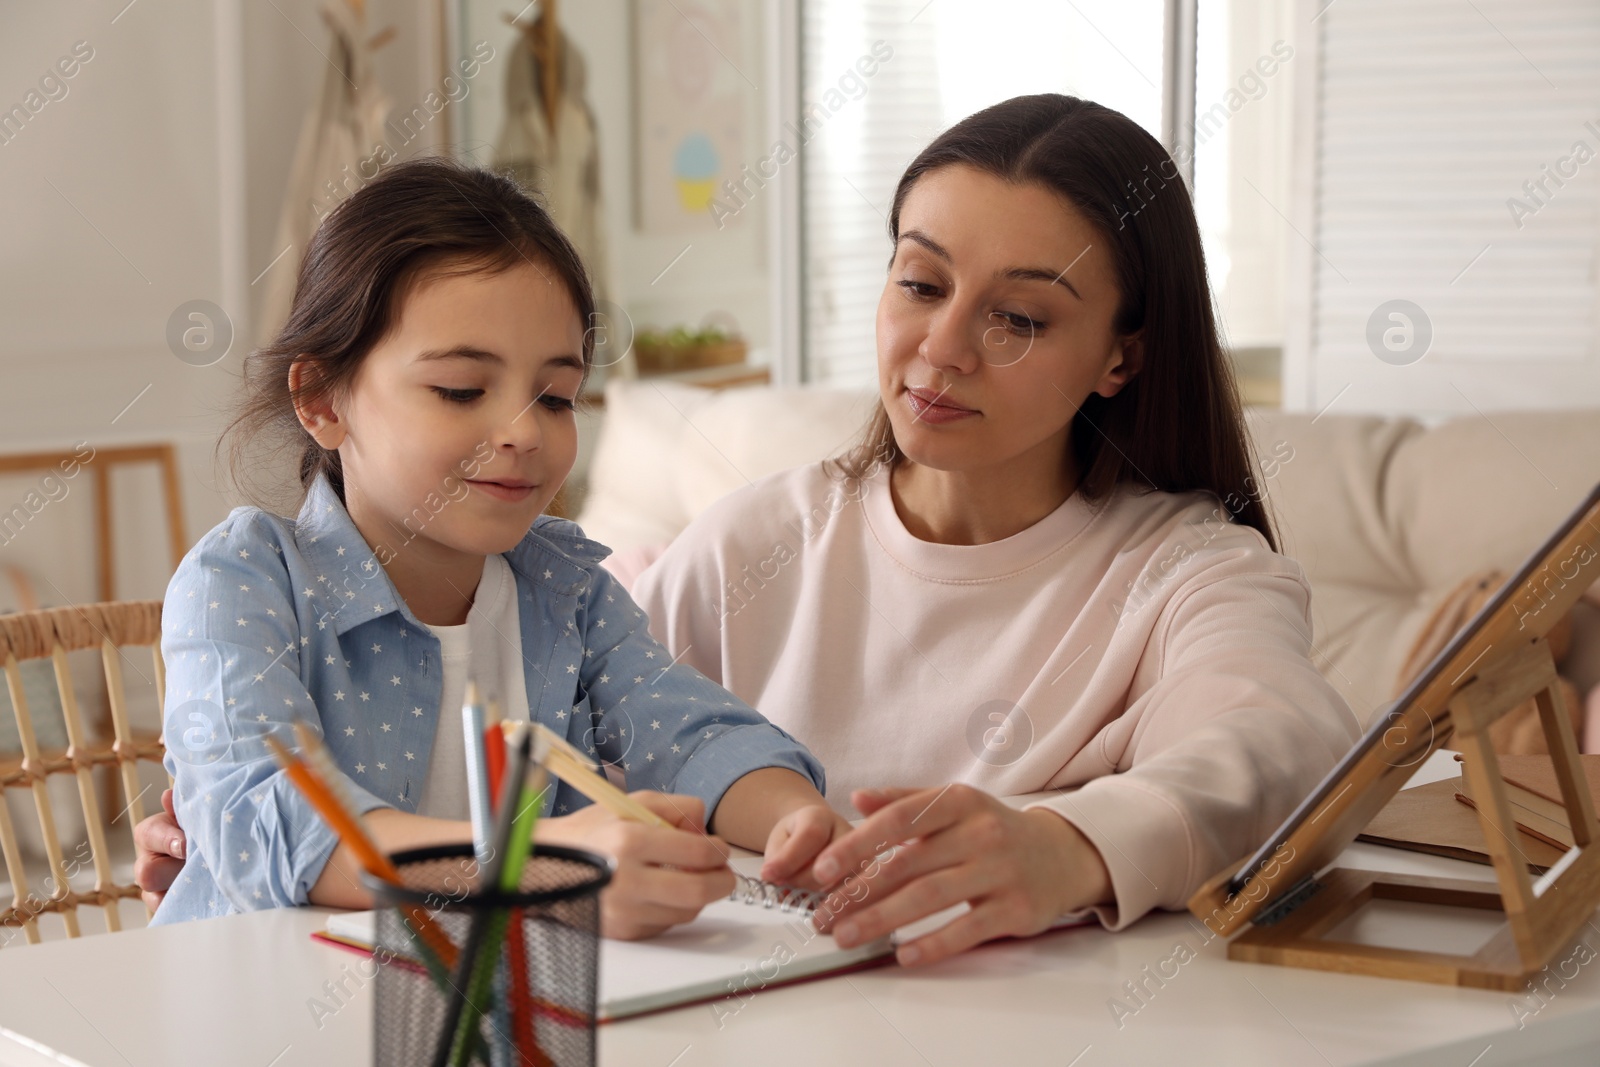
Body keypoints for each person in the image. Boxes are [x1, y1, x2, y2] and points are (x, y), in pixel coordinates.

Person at [139, 96, 1359, 967]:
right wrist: (249, 823)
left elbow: (1289, 746)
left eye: (1021, 317)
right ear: (321, 395)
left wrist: (815, 828)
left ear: (1122, 356)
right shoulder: (745, 537)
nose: (939, 349)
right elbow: (279, 821)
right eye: (921, 283)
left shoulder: (1186, 572)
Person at [146, 156, 846, 936]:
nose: (522, 432)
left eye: (554, 397)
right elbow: (272, 826)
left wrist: (797, 821)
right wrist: (541, 870)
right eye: (460, 390)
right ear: (320, 400)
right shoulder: (242, 580)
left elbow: (693, 735)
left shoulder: (567, 588)